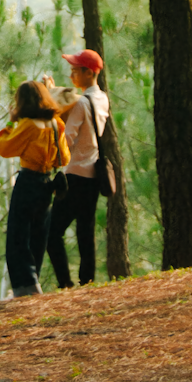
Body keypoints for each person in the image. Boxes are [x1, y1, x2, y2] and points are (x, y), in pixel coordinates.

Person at [0, 80, 70, 297]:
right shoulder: (57, 124)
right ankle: (32, 282)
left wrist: (10, 124)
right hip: (47, 185)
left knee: (19, 237)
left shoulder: (28, 126)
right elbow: (65, 156)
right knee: (39, 235)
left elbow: (4, 148)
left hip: (28, 182)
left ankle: (24, 288)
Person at [46, 48, 109, 289]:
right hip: (92, 174)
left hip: (75, 175)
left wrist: (50, 97)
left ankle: (65, 283)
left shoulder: (82, 103)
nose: (71, 75)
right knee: (85, 229)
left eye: (75, 71)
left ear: (88, 73)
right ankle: (87, 281)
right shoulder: (101, 99)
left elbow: (67, 138)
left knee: (52, 232)